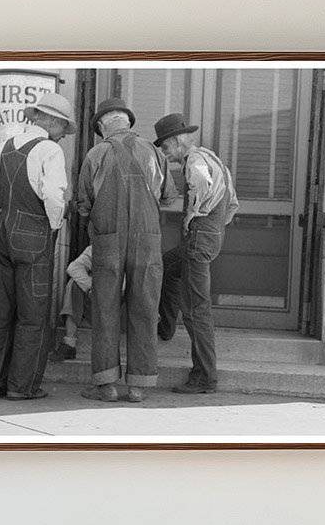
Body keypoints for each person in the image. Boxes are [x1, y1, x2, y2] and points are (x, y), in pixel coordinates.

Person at [0, 91, 74, 400]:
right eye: (64, 127)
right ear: (53, 122)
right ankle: (22, 386)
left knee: (3, 313)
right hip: (34, 238)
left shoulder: (4, 147)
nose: (64, 134)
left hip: (2, 235)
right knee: (33, 316)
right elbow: (54, 195)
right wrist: (54, 226)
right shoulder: (50, 150)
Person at [76, 98, 177, 403]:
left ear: (102, 125)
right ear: (127, 122)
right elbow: (169, 196)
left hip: (107, 240)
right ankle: (138, 386)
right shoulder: (154, 152)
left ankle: (106, 385)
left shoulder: (95, 154)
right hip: (147, 240)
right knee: (145, 308)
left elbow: (83, 204)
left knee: (105, 309)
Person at [154, 113, 239, 394]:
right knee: (167, 267)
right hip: (211, 237)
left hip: (199, 239)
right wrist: (213, 225)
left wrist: (195, 213)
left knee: (196, 310)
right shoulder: (213, 158)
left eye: (165, 146)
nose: (164, 152)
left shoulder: (195, 161)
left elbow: (201, 182)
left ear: (177, 141)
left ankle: (204, 376)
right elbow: (232, 203)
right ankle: (165, 327)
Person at [54, 244, 92, 361]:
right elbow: (73, 268)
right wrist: (92, 287)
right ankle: (69, 343)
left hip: (119, 308)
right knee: (74, 284)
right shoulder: (96, 248)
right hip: (97, 304)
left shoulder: (131, 248)